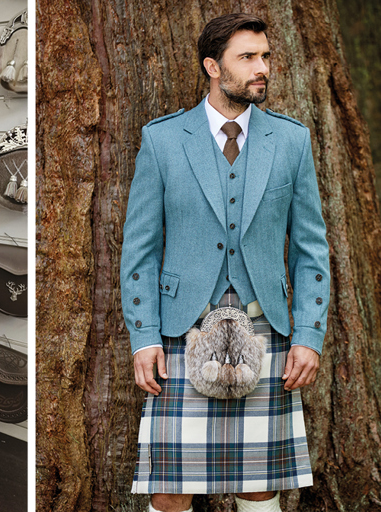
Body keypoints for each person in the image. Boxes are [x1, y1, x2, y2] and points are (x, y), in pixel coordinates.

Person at [120, 13, 329, 512]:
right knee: (169, 491)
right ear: (213, 66)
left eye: (266, 57)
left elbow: (310, 249)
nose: (263, 69)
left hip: (267, 328)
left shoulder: (292, 141)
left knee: (258, 487)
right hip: (179, 333)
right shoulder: (164, 140)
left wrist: (309, 335)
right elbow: (140, 249)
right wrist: (144, 335)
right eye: (249, 58)